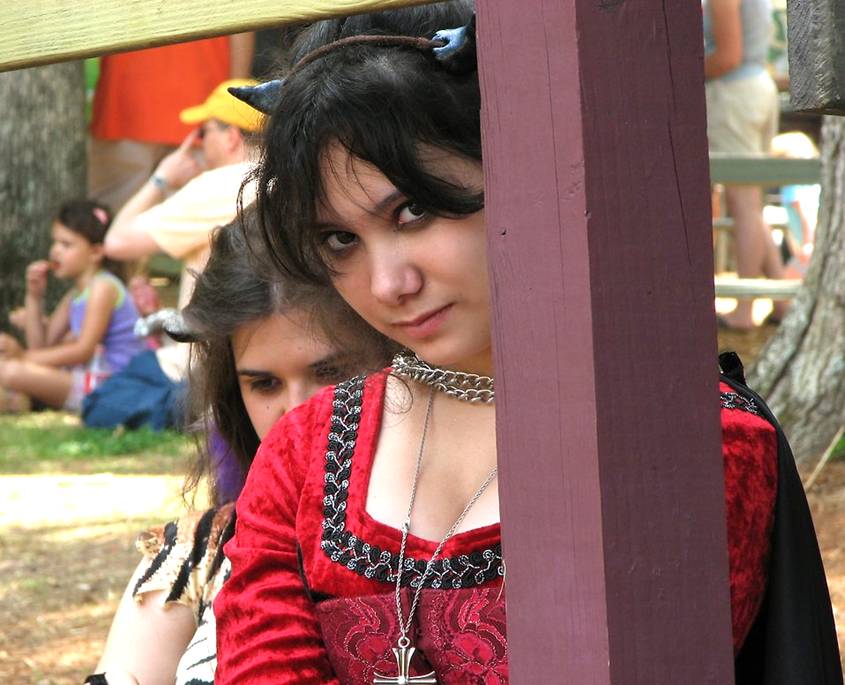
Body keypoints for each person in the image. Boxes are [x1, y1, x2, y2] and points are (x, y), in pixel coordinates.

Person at [214, 4, 839, 682]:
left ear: (523, 172)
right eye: (341, 240)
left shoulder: (686, 438)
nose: (388, 282)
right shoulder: (304, 450)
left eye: (414, 211)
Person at [85, 216, 389, 685]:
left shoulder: (463, 542)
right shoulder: (197, 554)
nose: (296, 412)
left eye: (332, 372)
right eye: (264, 383)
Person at [103, 78, 263, 310]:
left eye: (203, 132)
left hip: (208, 342)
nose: (199, 143)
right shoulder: (289, 179)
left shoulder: (217, 187)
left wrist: (161, 179)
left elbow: (116, 242)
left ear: (231, 138)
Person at [0, 200, 143, 412]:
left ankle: (17, 397)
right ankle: (17, 399)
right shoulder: (75, 296)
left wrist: (23, 357)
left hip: (111, 385)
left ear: (95, 252)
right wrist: (34, 298)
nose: (55, 251)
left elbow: (82, 351)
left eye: (66, 245)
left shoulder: (103, 287)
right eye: (54, 242)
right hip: (87, 377)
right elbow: (42, 346)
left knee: (10, 371)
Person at [89, 35, 255, 211]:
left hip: (128, 105)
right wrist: (233, 103)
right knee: (199, 228)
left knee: (114, 225)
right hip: (200, 106)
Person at [704, 0, 788, 330]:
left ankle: (743, 310)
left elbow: (727, 58)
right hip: (755, 89)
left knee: (743, 206)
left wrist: (674, 70)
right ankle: (780, 302)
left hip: (734, 93)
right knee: (752, 205)